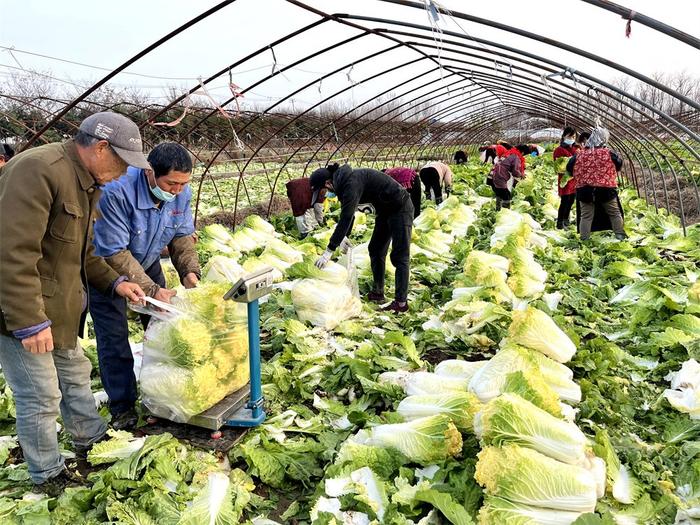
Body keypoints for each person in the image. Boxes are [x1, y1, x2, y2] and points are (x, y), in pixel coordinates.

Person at [0, 112, 147, 496]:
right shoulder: (38, 170)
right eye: (122, 163)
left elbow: (84, 253)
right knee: (40, 394)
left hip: (61, 310)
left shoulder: (87, 182)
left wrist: (116, 283)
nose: (123, 174)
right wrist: (29, 321)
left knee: (76, 374)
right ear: (101, 149)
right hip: (22, 313)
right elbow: (11, 254)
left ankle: (89, 439)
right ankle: (46, 474)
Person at [90, 142, 201, 430]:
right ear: (151, 172)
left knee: (162, 329)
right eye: (172, 183)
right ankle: (123, 406)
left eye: (183, 184)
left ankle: (163, 395)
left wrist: (190, 272)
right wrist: (151, 290)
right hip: (107, 270)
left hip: (148, 261)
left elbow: (182, 236)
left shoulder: (181, 192)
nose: (177, 190)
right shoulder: (116, 191)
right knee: (114, 339)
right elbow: (114, 251)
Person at [311, 163, 414, 313]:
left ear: (328, 183)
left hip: (400, 208)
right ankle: (378, 293)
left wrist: (329, 251)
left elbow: (345, 218)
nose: (326, 195)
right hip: (385, 211)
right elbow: (349, 213)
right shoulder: (343, 185)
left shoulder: (351, 183)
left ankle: (401, 303)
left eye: (324, 191)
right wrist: (345, 236)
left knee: (400, 255)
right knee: (376, 249)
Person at [566, 127, 626, 241]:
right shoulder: (609, 153)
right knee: (614, 213)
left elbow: (569, 169)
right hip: (606, 189)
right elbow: (619, 165)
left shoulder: (579, 155)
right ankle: (620, 236)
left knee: (586, 216)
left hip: (584, 190)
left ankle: (584, 240)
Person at [553, 127, 579, 229]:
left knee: (571, 200)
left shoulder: (576, 149)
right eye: (569, 136)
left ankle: (566, 219)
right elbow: (559, 166)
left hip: (574, 179)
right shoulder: (559, 150)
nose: (571, 138)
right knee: (565, 201)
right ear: (564, 136)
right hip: (565, 179)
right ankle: (560, 222)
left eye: (573, 136)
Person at [486, 145, 524, 210]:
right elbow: (515, 171)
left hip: (491, 177)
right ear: (522, 152)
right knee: (506, 195)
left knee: (499, 194)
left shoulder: (505, 155)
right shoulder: (515, 156)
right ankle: (505, 211)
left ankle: (498, 210)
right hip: (498, 177)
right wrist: (521, 175)